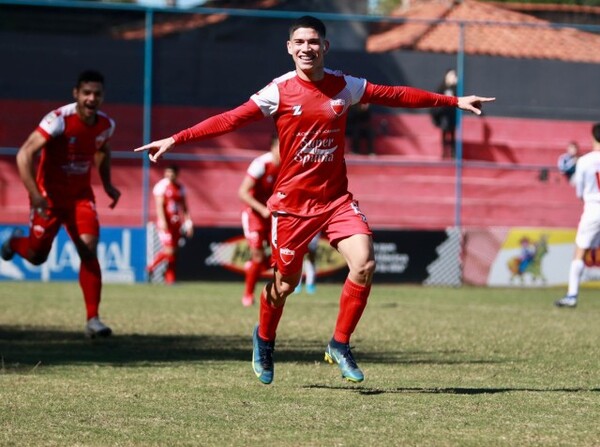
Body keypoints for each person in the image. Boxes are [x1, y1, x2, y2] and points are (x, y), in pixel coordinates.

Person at [134, 15, 494, 384]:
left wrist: (452, 101)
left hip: (337, 201)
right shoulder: (278, 91)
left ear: (325, 46)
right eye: (300, 42)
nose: (307, 48)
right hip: (291, 208)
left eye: (314, 42)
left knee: (365, 263)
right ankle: (263, 338)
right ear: (290, 48)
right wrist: (176, 139)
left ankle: (339, 344)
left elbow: (395, 94)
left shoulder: (345, 86)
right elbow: (230, 120)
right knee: (284, 285)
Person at [0, 70, 121, 338]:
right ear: (75, 93)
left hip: (80, 198)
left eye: (97, 94)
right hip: (49, 198)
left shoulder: (105, 125)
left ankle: (93, 320)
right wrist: (35, 195)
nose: (92, 98)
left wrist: (108, 184)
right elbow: (24, 155)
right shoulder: (58, 120)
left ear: (103, 97)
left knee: (88, 249)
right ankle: (13, 243)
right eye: (87, 93)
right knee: (36, 256)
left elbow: (102, 149)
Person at [555, 123, 600, 308]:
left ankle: (572, 296)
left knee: (580, 252)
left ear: (593, 138)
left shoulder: (584, 161)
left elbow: (579, 191)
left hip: (593, 208)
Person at [238, 135, 281, 307]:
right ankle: (248, 294)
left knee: (276, 258)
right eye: (280, 146)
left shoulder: (289, 166)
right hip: (254, 214)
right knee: (257, 254)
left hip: (273, 215)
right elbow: (242, 192)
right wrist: (261, 209)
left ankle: (253, 269)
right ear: (272, 147)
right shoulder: (261, 164)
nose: (283, 150)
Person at [147, 164, 193, 285]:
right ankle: (151, 267)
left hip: (176, 223)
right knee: (170, 250)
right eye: (168, 172)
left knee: (175, 251)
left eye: (172, 173)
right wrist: (162, 220)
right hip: (166, 223)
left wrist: (188, 223)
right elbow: (159, 205)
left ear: (177, 174)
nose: (170, 175)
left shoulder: (180, 188)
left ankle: (170, 278)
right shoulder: (161, 186)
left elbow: (184, 207)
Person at [430, 68, 458, 159]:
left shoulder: (455, 88)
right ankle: (444, 152)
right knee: (445, 133)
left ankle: (453, 153)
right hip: (444, 115)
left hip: (452, 115)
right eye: (451, 75)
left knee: (453, 135)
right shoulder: (442, 87)